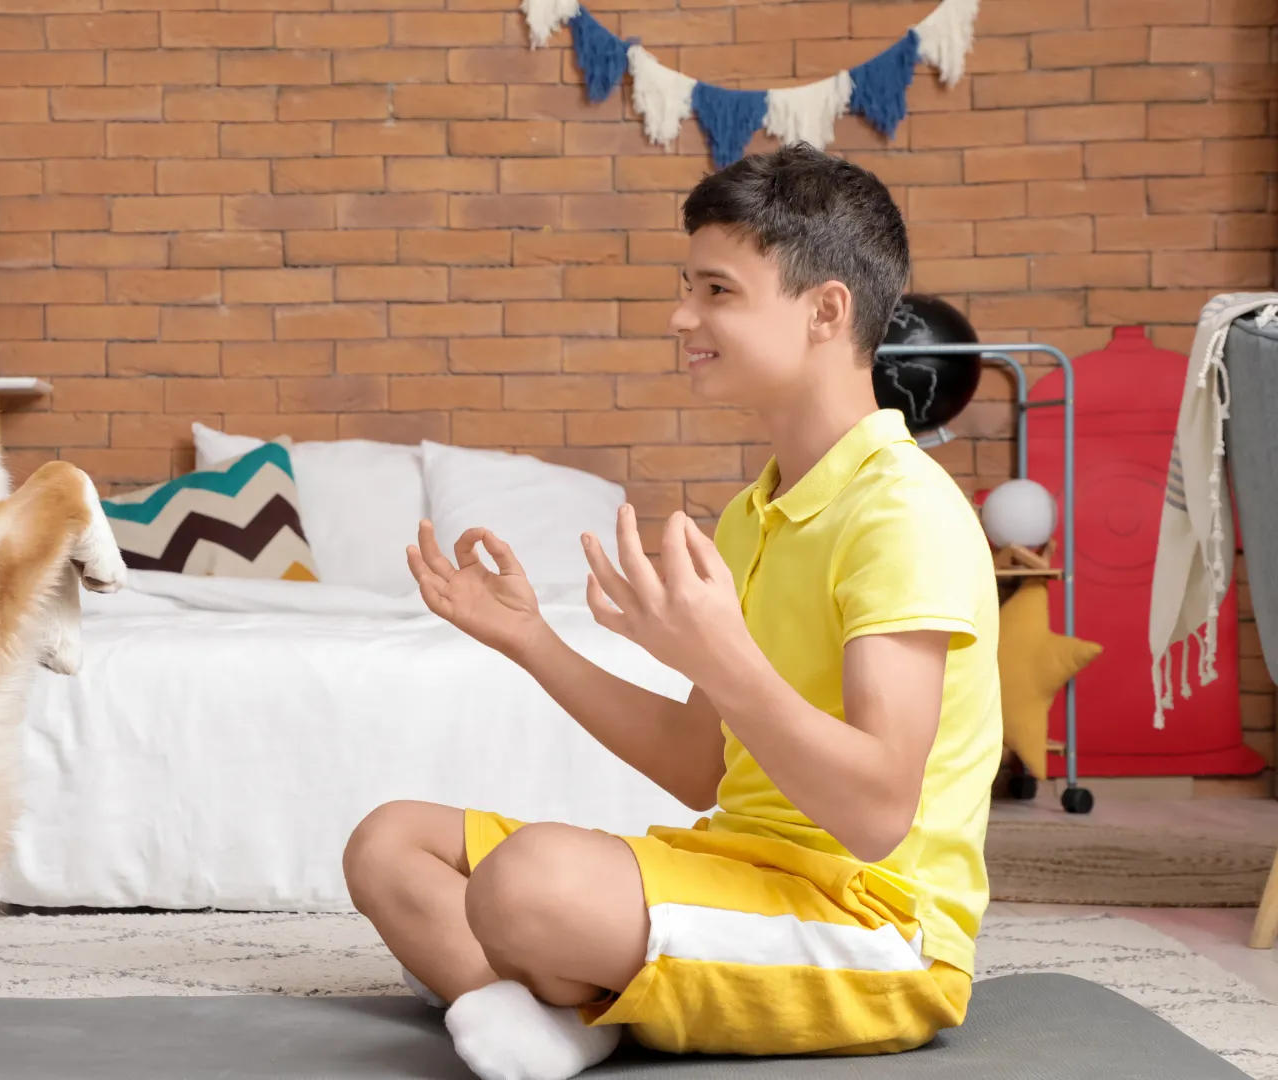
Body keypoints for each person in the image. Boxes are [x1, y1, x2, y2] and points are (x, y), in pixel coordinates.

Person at [341, 142, 1002, 1080]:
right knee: (389, 842)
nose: (681, 317)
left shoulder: (903, 509)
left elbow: (879, 814)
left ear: (826, 311)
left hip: (875, 927)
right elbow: (703, 767)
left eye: (717, 291)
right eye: (685, 286)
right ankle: (547, 1013)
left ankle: (549, 996)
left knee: (526, 886)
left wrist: (723, 653)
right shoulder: (753, 511)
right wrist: (530, 640)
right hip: (747, 870)